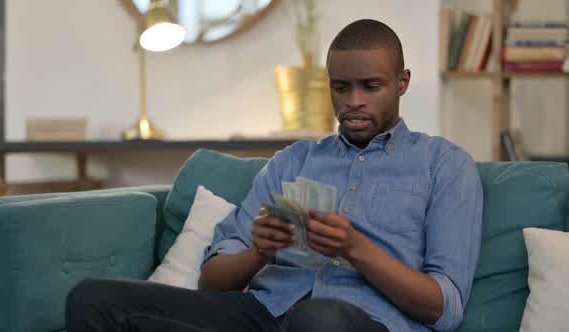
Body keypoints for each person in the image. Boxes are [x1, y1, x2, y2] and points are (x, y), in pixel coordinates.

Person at [66, 18, 483, 332]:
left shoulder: (443, 165)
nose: (353, 102)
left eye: (370, 87)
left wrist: (355, 247)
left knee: (317, 320)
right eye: (341, 88)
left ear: (402, 83)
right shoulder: (292, 161)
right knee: (93, 297)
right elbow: (212, 282)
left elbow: (444, 308)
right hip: (263, 314)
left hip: (360, 320)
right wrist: (258, 254)